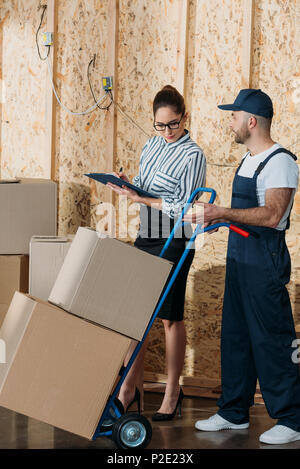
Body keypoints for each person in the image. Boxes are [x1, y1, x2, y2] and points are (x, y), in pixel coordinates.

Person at [184, 88, 300, 445]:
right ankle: (234, 412)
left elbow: (272, 214)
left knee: (273, 340)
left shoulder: (279, 160)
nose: (230, 122)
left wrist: (221, 212)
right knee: (236, 337)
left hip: (264, 261)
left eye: (234, 116)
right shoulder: (249, 158)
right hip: (239, 258)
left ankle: (293, 418)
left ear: (251, 121)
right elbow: (243, 214)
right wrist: (214, 219)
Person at [107, 85, 206, 421]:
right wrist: (126, 185)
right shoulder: (150, 146)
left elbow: (185, 205)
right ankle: (128, 389)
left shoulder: (193, 155)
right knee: (136, 316)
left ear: (184, 118)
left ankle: (172, 393)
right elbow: (143, 184)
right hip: (147, 233)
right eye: (160, 125)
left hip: (176, 236)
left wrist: (144, 199)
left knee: (168, 317)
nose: (166, 132)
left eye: (173, 125)